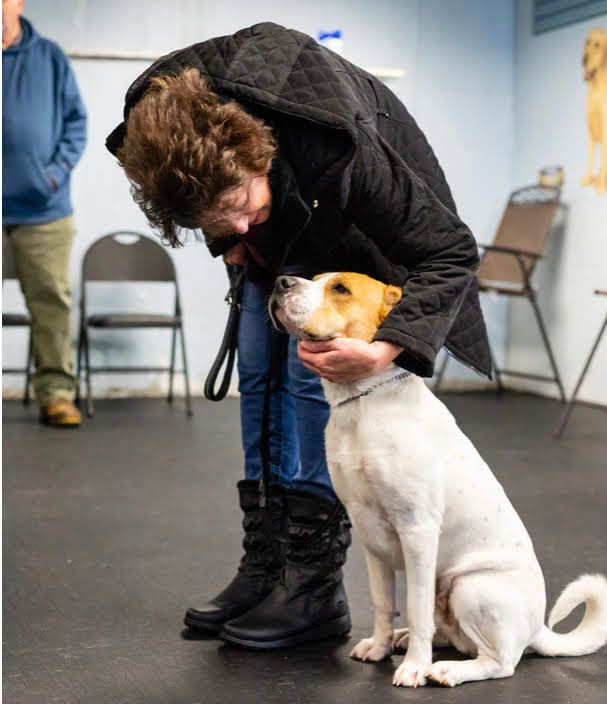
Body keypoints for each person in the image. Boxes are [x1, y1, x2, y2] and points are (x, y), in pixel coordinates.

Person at [107, 22, 491, 649]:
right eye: (213, 218)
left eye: (237, 202)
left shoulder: (335, 140)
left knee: (310, 379)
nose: (233, 221)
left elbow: (450, 250)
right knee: (259, 376)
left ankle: (312, 585)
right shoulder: (161, 124)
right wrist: (232, 234)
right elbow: (222, 204)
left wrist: (386, 344)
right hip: (289, 218)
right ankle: (266, 568)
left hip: (360, 239)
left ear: (251, 151)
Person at [2, 0, 87, 427]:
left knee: (50, 302)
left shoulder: (49, 56)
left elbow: (76, 123)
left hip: (44, 209)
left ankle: (56, 394)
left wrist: (50, 176)